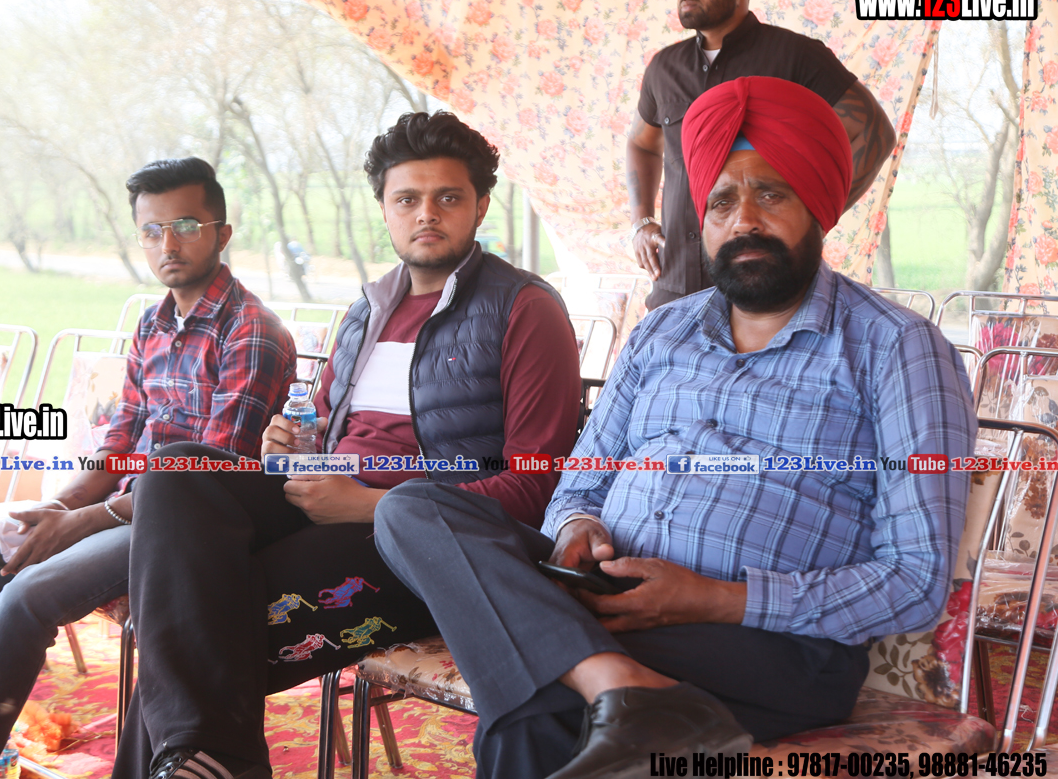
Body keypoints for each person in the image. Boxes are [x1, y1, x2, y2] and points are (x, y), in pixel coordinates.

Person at [374, 76, 976, 779]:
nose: (743, 220)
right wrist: (574, 530)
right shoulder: (661, 332)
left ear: (818, 204)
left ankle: (604, 681)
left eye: (771, 194)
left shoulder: (897, 348)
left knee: (539, 700)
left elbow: (915, 578)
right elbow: (579, 484)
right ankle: (617, 683)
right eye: (720, 201)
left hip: (769, 642)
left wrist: (712, 599)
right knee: (411, 508)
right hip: (611, 599)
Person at [115, 111, 582, 779]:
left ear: (481, 206)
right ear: (384, 210)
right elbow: (326, 436)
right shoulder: (369, 309)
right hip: (327, 503)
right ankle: (207, 756)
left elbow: (534, 487)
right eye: (407, 199)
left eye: (448, 197)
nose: (427, 214)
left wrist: (368, 504)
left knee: (190, 626)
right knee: (173, 470)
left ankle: (208, 759)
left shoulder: (524, 308)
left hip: (426, 541)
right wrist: (292, 447)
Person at [0, 157, 298, 779]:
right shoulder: (152, 323)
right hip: (114, 512)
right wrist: (59, 508)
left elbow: (206, 482)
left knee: (25, 596)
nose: (168, 245)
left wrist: (82, 521)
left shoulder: (252, 332)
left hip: (180, 533)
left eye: (186, 226)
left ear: (222, 233)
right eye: (151, 231)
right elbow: (119, 441)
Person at [627, 0, 896, 309]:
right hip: (675, 288)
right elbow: (641, 145)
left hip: (767, 293)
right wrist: (641, 222)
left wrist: (815, 215)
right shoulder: (663, 68)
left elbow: (874, 132)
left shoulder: (796, 56)